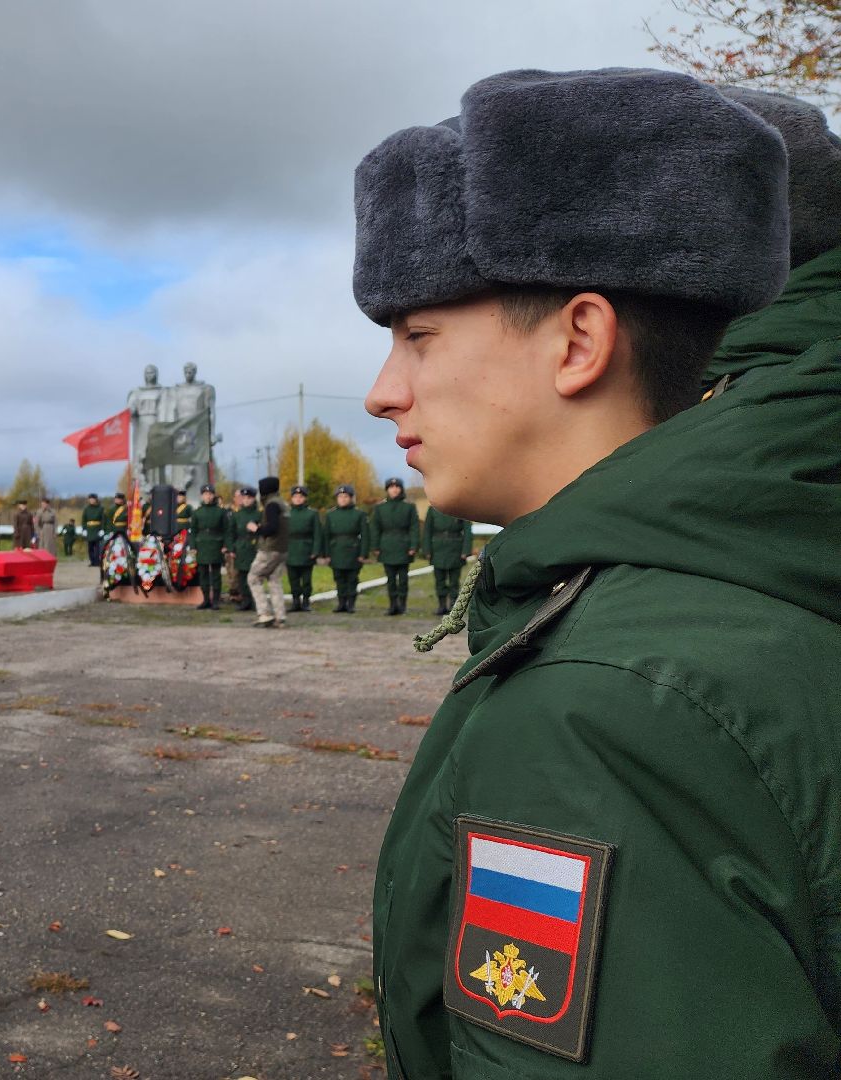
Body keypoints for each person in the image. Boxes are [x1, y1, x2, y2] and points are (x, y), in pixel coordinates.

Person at [356, 69, 841, 1075]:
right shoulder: (754, 578)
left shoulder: (603, 709)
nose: (381, 392)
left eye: (417, 335)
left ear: (580, 339)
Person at [368, 478, 417, 616]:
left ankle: (402, 605)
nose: (394, 489)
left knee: (403, 579)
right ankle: (392, 605)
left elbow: (414, 528)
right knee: (390, 579)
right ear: (387, 490)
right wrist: (375, 547)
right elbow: (375, 529)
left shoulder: (409, 507)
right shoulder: (380, 508)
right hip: (387, 546)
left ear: (401, 489)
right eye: (391, 487)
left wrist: (413, 546)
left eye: (397, 487)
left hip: (404, 546)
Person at [244, 477, 289, 628]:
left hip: (270, 549)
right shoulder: (283, 504)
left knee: (253, 577)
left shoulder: (271, 505)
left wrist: (256, 529)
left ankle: (264, 613)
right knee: (274, 580)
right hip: (282, 549)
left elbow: (272, 528)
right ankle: (280, 616)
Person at [320, 485, 368, 614]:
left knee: (352, 579)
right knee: (339, 578)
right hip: (336, 550)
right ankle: (341, 603)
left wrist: (363, 553)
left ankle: (351, 604)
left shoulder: (359, 514)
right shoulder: (331, 515)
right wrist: (326, 554)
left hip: (353, 550)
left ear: (351, 498)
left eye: (346, 496)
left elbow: (365, 535)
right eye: (340, 496)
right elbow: (326, 536)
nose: (342, 499)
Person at [419, 504, 472, 616]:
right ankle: (442, 605)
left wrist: (465, 550)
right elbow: (427, 531)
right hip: (437, 549)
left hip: (455, 548)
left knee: (454, 581)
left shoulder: (461, 508)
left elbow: (467, 530)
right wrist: (427, 550)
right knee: (440, 580)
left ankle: (453, 605)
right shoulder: (432, 509)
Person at [283, 486, 326, 613]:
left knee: (306, 579)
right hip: (290, 549)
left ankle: (306, 601)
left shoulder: (312, 514)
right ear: (291, 498)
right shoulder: (286, 514)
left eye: (300, 497)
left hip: (306, 549)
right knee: (293, 578)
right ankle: (296, 601)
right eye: (295, 497)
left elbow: (317, 534)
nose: (298, 499)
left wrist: (315, 551)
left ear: (305, 498)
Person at [187, 486, 230, 610]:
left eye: (210, 494)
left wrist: (225, 545)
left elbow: (226, 530)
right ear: (202, 496)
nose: (208, 496)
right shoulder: (197, 512)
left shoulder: (221, 512)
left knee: (216, 574)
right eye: (206, 494)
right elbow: (193, 531)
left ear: (214, 495)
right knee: (203, 574)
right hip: (201, 545)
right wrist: (193, 546)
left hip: (216, 544)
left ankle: (215, 601)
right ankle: (206, 600)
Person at [228, 486, 261, 611]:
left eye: (249, 498)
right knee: (242, 576)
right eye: (244, 498)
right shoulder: (237, 515)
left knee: (255, 575)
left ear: (253, 499)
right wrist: (231, 549)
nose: (246, 500)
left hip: (254, 547)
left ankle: (255, 600)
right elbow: (231, 533)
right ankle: (245, 600)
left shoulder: (259, 514)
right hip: (240, 547)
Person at [79, 494, 104, 568]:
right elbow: (83, 520)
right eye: (90, 499)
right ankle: (92, 561)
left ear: (96, 500)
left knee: (97, 547)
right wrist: (84, 529)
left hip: (97, 529)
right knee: (90, 547)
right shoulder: (86, 509)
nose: (91, 500)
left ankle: (97, 561)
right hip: (89, 530)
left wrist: (102, 529)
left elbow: (103, 519)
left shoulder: (100, 508)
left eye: (93, 499)